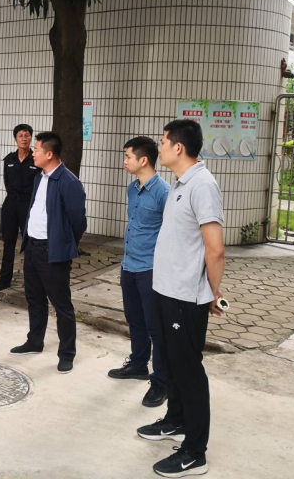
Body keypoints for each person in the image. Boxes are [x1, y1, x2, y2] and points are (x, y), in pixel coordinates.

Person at [136, 120, 225, 478]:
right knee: (170, 362)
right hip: (165, 289)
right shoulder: (179, 183)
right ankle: (176, 420)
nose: (158, 147)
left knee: (188, 370)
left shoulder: (203, 185)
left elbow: (215, 249)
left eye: (162, 142)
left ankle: (194, 452)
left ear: (178, 148)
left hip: (186, 296)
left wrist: (213, 293)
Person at [10, 132, 86, 374]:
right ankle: (35, 341)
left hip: (53, 252)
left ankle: (67, 353)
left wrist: (63, 243)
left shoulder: (68, 181)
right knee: (34, 299)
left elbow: (78, 221)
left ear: (50, 154)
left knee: (61, 304)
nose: (33, 153)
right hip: (32, 247)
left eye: (37, 150)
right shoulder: (39, 177)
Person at [108, 136, 170, 408]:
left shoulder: (164, 192)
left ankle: (161, 382)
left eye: (128, 156)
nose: (125, 161)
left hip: (151, 269)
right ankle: (137, 364)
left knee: (156, 328)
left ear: (143, 160)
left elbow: (172, 233)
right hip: (129, 265)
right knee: (134, 319)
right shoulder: (132, 189)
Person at [0, 124, 40, 293]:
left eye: (27, 135)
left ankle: (31, 282)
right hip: (11, 205)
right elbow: (7, 182)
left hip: (28, 206)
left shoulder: (36, 160)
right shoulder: (9, 160)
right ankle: (4, 280)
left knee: (29, 244)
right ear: (15, 139)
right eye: (20, 135)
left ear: (30, 138)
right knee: (9, 243)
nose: (24, 139)